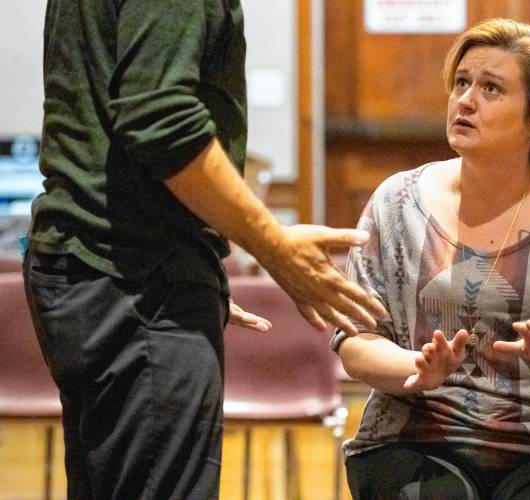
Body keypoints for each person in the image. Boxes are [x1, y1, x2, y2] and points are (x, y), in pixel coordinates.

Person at [23, 1, 385, 499]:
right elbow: (160, 119)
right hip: (135, 276)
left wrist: (193, 260)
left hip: (104, 268)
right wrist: (274, 247)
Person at [332, 18, 530, 500]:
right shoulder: (395, 201)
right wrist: (415, 367)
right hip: (412, 438)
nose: (465, 100)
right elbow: (356, 341)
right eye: (461, 82)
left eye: (491, 88)